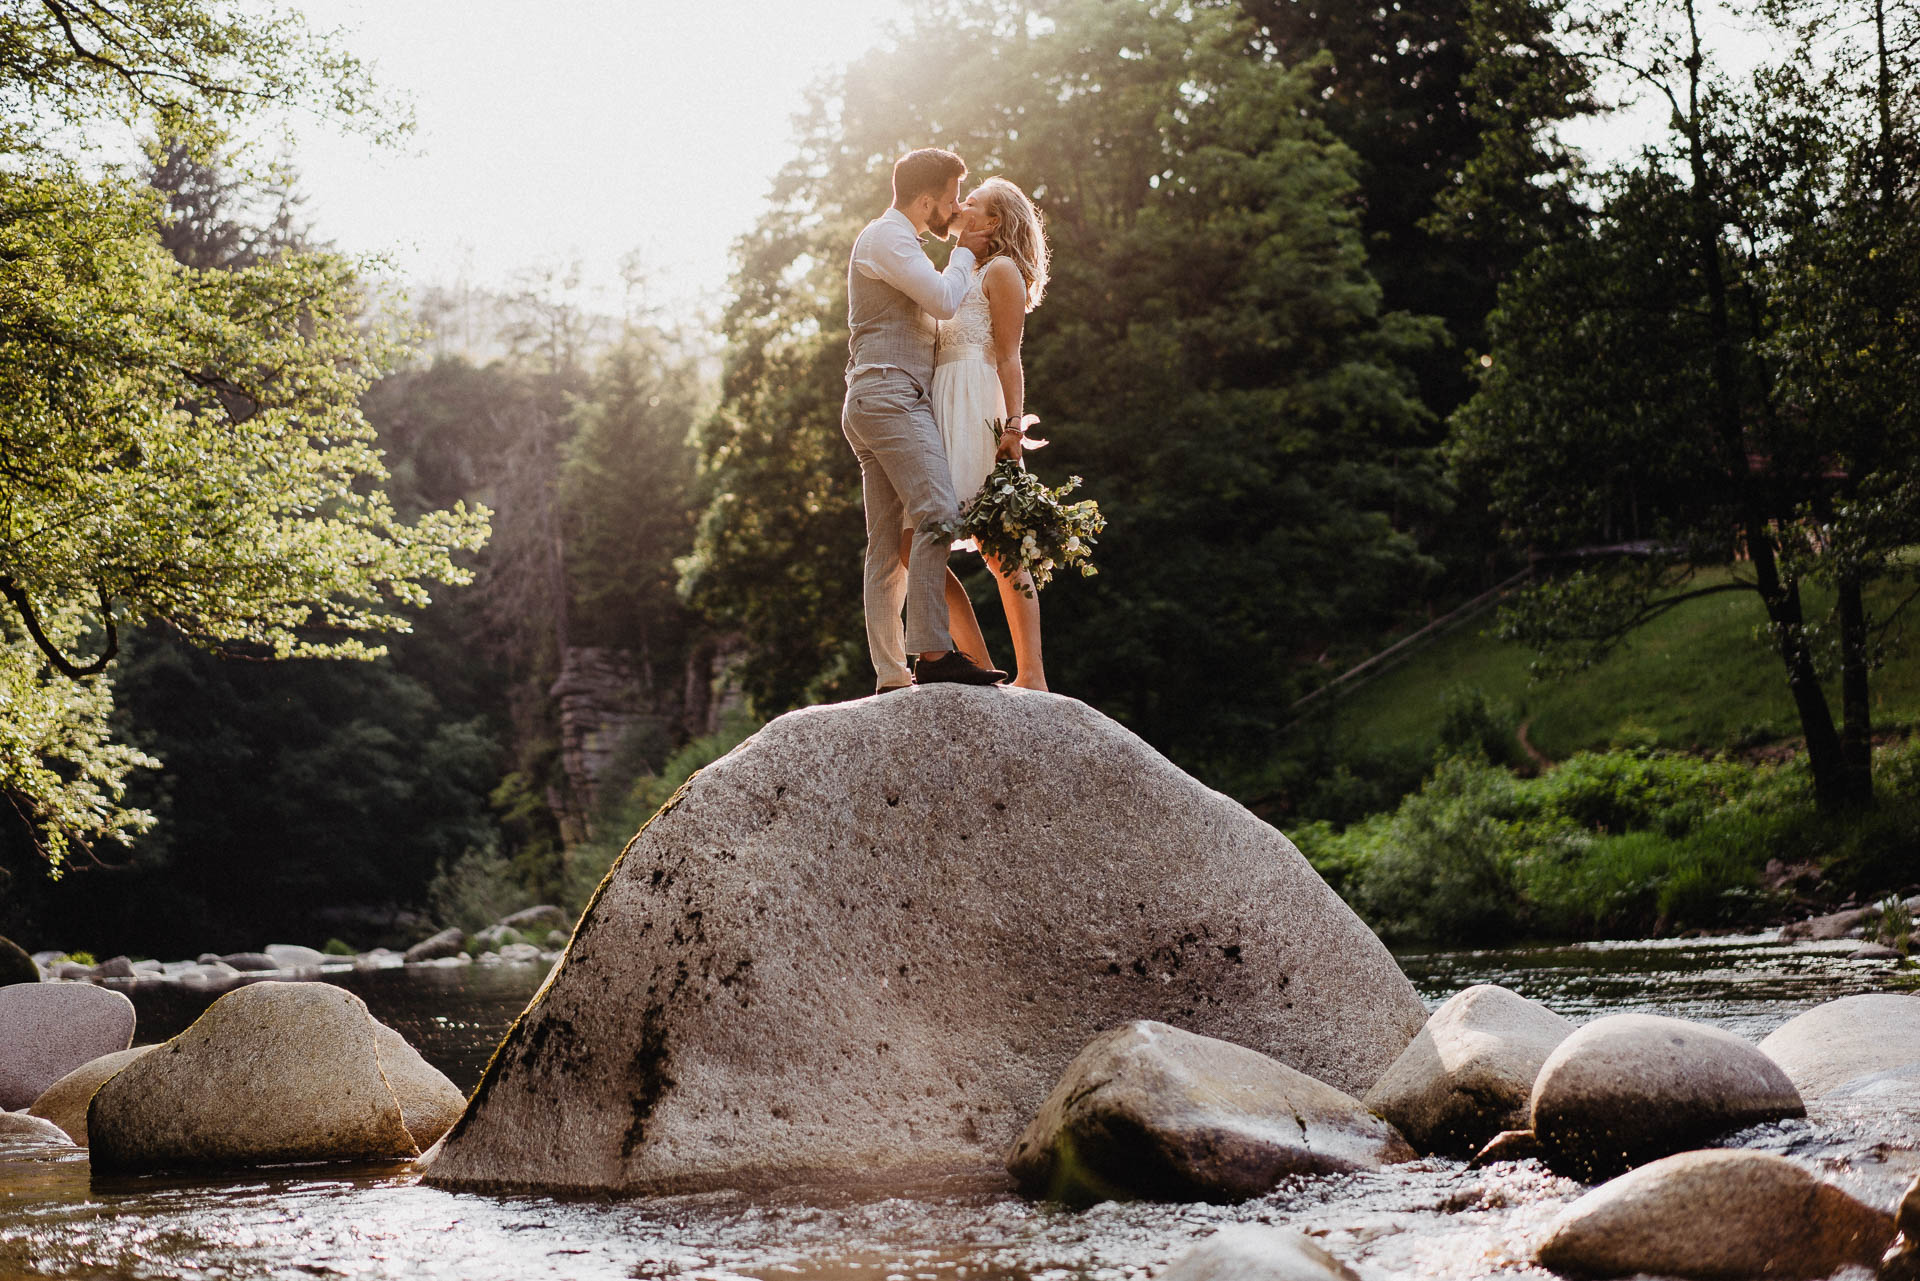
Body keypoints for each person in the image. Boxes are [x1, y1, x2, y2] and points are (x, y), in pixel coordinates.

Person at [841, 148, 1007, 692]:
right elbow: (941, 301)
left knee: (888, 547)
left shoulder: (901, 244)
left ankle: (891, 674)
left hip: (876, 397)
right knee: (937, 510)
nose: (957, 207)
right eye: (954, 196)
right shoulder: (886, 237)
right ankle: (933, 655)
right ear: (927, 199)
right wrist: (962, 250)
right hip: (889, 395)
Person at [929, 177, 1052, 689]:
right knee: (921, 546)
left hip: (978, 404)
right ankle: (979, 666)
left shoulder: (1001, 272)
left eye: (972, 201)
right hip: (939, 404)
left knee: (1001, 544)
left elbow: (1008, 356)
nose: (961, 204)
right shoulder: (956, 272)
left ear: (994, 221)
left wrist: (1013, 427)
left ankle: (1032, 676)